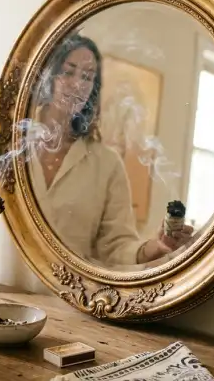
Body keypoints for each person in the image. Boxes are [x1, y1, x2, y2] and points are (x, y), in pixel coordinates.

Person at [29, 32, 192, 267]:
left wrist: (156, 246)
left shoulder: (106, 163)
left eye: (87, 77)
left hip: (66, 296)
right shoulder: (13, 145)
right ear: (48, 76)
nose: (77, 84)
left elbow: (117, 247)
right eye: (68, 71)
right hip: (1, 291)